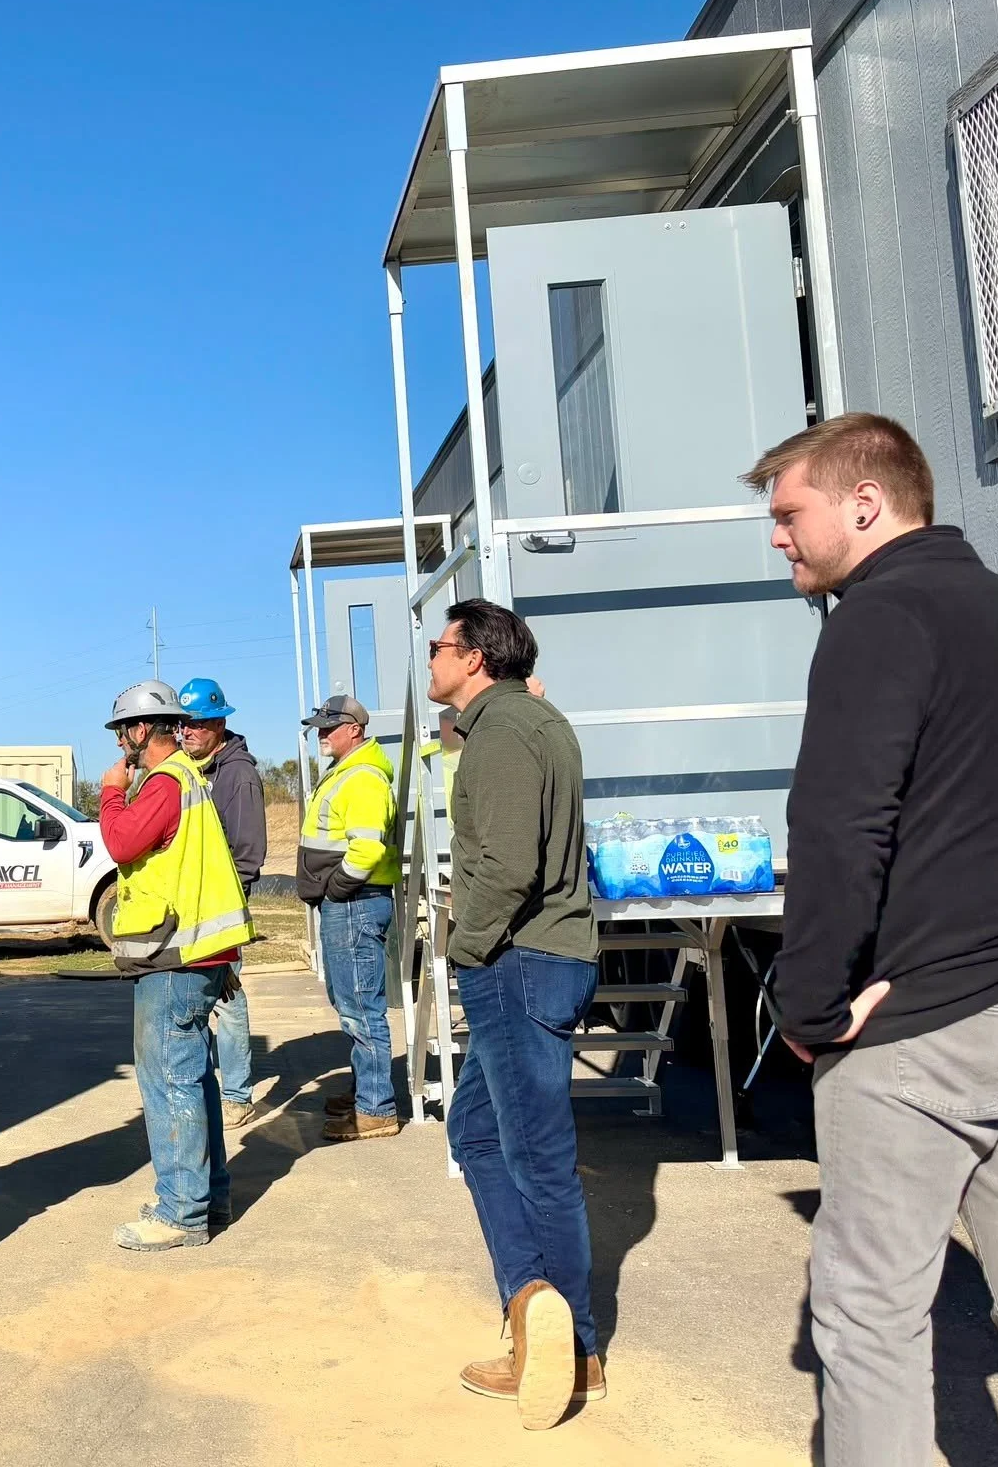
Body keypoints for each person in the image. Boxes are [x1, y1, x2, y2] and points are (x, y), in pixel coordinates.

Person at [744, 413, 998, 1465]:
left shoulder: (874, 621)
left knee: (868, 1321)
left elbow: (836, 826)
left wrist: (810, 1006)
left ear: (864, 503)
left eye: (789, 514)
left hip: (918, 1028)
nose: (777, 538)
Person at [427, 599, 600, 1430]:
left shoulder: (499, 732)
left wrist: (466, 948)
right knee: (480, 1136)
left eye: (440, 646)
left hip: (517, 963)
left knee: (535, 1157)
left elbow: (507, 866)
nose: (432, 658)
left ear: (475, 658)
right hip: (544, 958)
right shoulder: (540, 720)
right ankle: (535, 1308)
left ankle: (576, 1350)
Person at [98, 679, 255, 1250]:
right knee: (195, 1081)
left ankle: (181, 1212)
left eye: (122, 734)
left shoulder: (164, 782)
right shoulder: (192, 779)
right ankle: (207, 1197)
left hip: (175, 959)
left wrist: (111, 793)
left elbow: (121, 843)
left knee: (169, 1083)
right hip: (197, 952)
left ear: (142, 730)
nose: (120, 747)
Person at [294, 694, 403, 1143]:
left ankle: (376, 1109)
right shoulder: (348, 772)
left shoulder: (362, 778)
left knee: (361, 1008)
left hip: (355, 902)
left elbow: (368, 847)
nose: (322, 733)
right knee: (351, 1003)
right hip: (349, 903)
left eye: (329, 726)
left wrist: (337, 889)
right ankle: (366, 1093)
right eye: (319, 727)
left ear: (354, 730)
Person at [177, 676, 269, 1127]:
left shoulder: (238, 775)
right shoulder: (195, 769)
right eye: (183, 725)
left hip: (223, 910)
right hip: (195, 907)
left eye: (195, 725)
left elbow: (248, 852)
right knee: (205, 999)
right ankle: (218, 1088)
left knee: (227, 999)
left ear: (218, 724)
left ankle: (236, 1094)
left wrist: (231, 904)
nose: (187, 732)